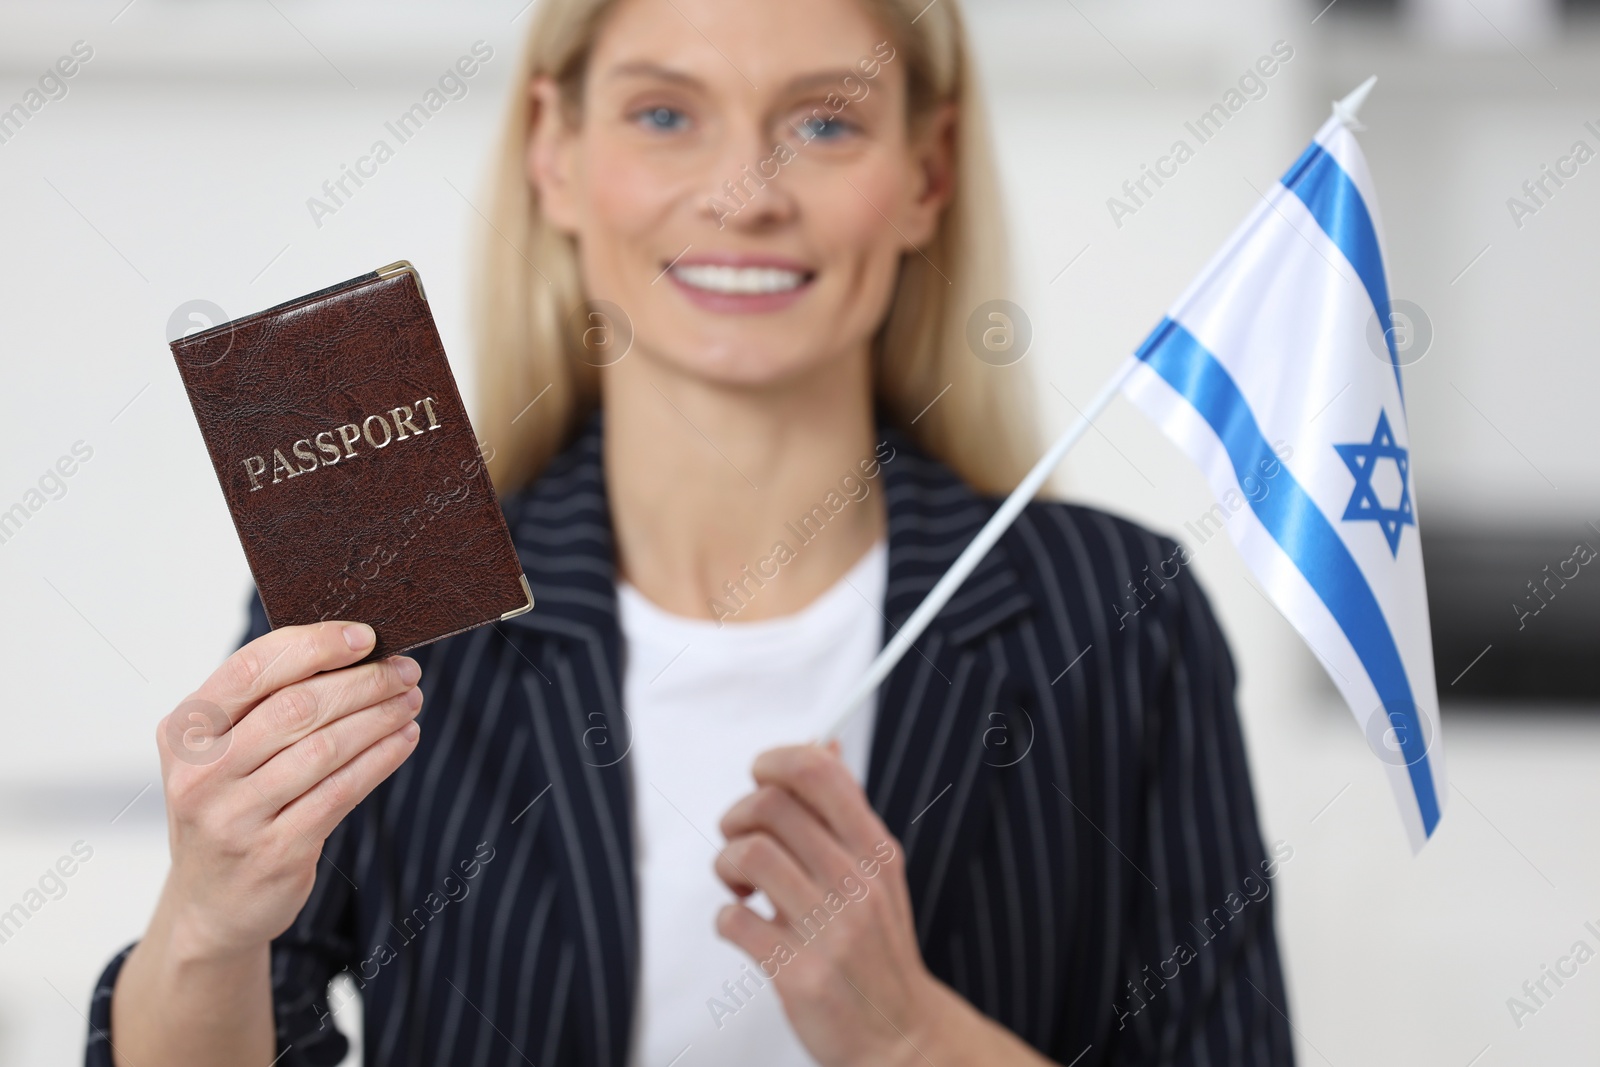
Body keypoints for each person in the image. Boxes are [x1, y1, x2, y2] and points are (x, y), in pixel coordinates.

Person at [90, 0, 1294, 1063]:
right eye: (665, 116)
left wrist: (908, 1036)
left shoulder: (1116, 611)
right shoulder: (391, 594)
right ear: (553, 153)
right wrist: (204, 923)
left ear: (927, 173)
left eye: (824, 123)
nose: (744, 194)